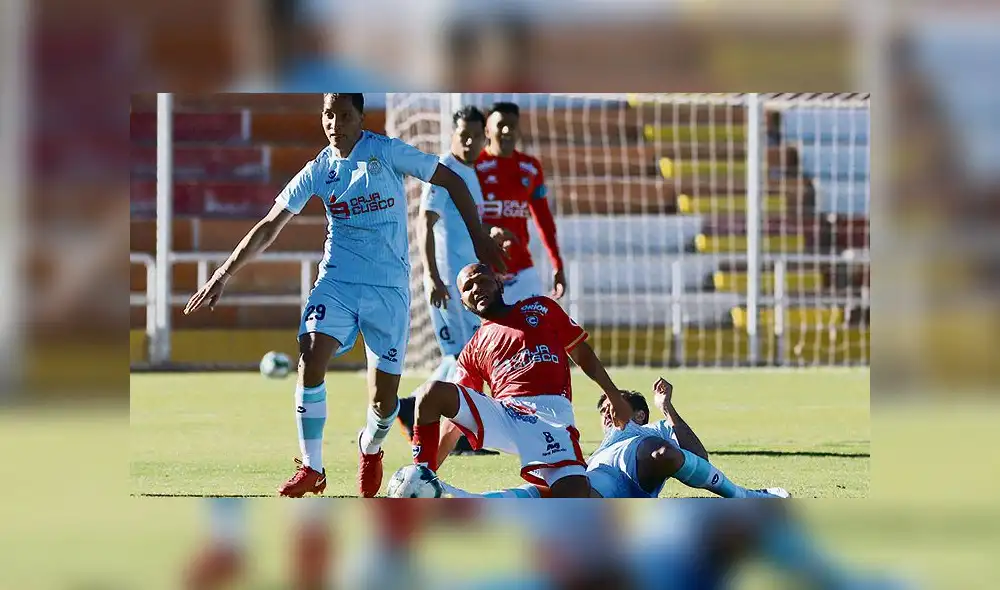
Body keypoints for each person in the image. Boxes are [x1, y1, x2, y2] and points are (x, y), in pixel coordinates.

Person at [183, 93, 506, 498]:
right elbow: (270, 225)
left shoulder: (386, 152)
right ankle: (312, 468)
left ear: (360, 118)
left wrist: (479, 238)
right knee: (310, 355)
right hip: (337, 282)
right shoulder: (319, 169)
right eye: (328, 115)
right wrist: (223, 273)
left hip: (387, 289)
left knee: (384, 403)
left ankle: (370, 446)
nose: (334, 123)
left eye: (344, 115)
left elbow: (452, 179)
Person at [408, 262, 633, 498]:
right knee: (430, 393)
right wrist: (425, 475)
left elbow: (581, 353)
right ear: (464, 302)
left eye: (482, 280)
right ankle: (419, 478)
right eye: (468, 287)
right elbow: (453, 423)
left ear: (498, 284)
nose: (476, 288)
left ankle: (484, 501)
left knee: (574, 496)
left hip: (550, 415)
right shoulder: (471, 351)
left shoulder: (541, 308)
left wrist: (613, 395)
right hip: (506, 413)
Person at [439, 377, 790, 499]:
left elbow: (700, 456)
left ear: (639, 414)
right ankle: (461, 499)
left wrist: (667, 408)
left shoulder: (651, 431)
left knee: (658, 452)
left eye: (614, 405)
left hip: (637, 468)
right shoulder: (599, 450)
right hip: (602, 488)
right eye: (603, 409)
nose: (607, 412)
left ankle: (744, 496)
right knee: (554, 493)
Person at [395, 104, 499, 457]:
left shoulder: (471, 173)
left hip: (468, 284)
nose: (469, 142)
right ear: (453, 134)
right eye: (463, 135)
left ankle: (411, 407)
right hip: (449, 283)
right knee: (464, 356)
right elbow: (425, 223)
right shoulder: (446, 171)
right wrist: (432, 276)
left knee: (462, 356)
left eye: (476, 136)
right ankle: (461, 434)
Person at [475, 102, 567, 304]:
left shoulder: (530, 167)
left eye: (512, 126)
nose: (507, 130)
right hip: (484, 272)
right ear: (487, 130)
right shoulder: (474, 166)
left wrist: (557, 264)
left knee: (537, 321)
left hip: (522, 269)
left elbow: (543, 219)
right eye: (501, 125)